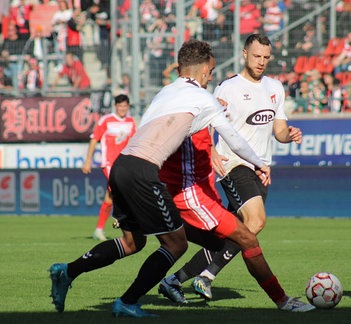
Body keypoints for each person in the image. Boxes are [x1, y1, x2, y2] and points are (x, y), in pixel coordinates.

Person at [48, 39, 272, 317]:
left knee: (132, 243)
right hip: (143, 172)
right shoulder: (203, 97)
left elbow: (172, 132)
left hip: (122, 167)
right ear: (203, 70)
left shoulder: (165, 93)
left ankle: (67, 271)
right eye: (211, 71)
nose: (211, 76)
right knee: (176, 244)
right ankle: (128, 301)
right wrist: (259, 164)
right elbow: (235, 140)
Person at [159, 34, 304, 301]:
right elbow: (206, 122)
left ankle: (174, 280)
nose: (261, 62)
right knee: (256, 220)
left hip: (261, 168)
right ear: (245, 54)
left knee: (235, 232)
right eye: (256, 56)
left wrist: (289, 134)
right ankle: (207, 276)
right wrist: (212, 151)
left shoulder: (275, 88)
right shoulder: (228, 88)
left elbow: (278, 129)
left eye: (265, 58)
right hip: (234, 164)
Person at [81, 94, 136, 241]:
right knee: (121, 189)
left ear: (128, 106)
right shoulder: (106, 120)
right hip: (109, 163)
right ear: (115, 106)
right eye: (120, 106)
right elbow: (94, 140)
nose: (122, 109)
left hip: (124, 164)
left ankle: (99, 230)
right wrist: (88, 161)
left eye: (125, 106)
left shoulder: (131, 122)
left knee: (110, 197)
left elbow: (134, 143)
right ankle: (121, 220)